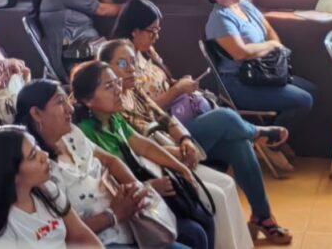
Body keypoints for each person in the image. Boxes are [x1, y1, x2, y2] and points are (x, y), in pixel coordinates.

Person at [112, 0, 293, 244]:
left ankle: (263, 216)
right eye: (152, 31)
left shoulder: (147, 52)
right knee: (225, 117)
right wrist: (177, 91)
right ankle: (258, 133)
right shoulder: (122, 65)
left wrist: (180, 87)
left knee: (239, 145)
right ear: (134, 30)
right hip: (158, 139)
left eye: (158, 30)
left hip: (178, 126)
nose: (156, 36)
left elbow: (159, 98)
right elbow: (145, 113)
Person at [99, 38, 261, 249]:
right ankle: (257, 132)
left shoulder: (135, 90)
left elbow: (165, 118)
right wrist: (176, 155)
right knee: (217, 196)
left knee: (228, 183)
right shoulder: (113, 105)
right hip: (155, 166)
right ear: (106, 69)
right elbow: (138, 150)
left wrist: (185, 140)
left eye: (132, 62)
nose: (130, 69)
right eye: (122, 64)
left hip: (169, 154)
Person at [15, 79, 189, 249]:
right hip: (103, 239)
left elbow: (111, 161)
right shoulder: (40, 169)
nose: (70, 108)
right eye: (60, 102)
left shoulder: (72, 134)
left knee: (193, 232)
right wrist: (114, 214)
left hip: (131, 221)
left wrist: (137, 189)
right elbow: (65, 235)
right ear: (37, 113)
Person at [71, 60, 216, 249]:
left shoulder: (114, 117)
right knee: (193, 233)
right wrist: (149, 186)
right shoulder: (85, 134)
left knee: (204, 219)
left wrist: (181, 168)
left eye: (116, 82)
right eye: (108, 86)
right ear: (88, 100)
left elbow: (144, 146)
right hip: (131, 208)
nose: (118, 90)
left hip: (147, 189)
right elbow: (106, 185)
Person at [203, 0, 315, 160]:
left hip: (264, 71)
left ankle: (272, 138)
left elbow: (269, 31)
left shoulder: (245, 5)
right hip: (240, 82)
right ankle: (271, 143)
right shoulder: (220, 19)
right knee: (304, 100)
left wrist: (271, 46)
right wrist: (271, 46)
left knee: (312, 90)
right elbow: (240, 53)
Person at [0, 125, 103, 248]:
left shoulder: (47, 190)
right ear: (11, 174)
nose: (44, 155)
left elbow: (81, 235)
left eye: (37, 147)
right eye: (33, 156)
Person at [32, 0, 122, 81]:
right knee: (123, 53)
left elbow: (108, 6)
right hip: (76, 59)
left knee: (122, 53)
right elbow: (103, 10)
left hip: (86, 52)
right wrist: (130, 7)